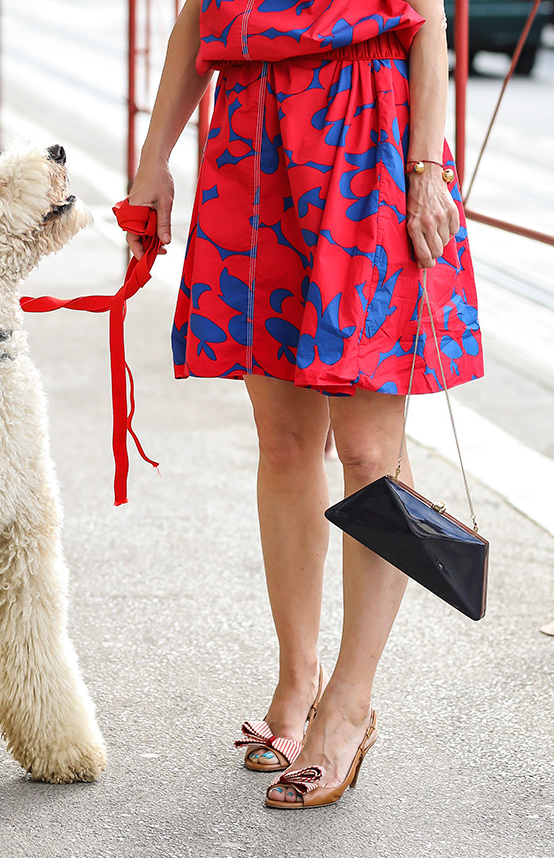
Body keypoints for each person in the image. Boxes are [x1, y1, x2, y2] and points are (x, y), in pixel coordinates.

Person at [126, 0, 484, 809]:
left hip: (368, 138)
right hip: (252, 141)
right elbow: (193, 19)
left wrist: (425, 169)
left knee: (367, 449)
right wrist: (154, 165)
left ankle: (349, 705)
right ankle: (299, 678)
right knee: (285, 441)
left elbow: (428, 20)